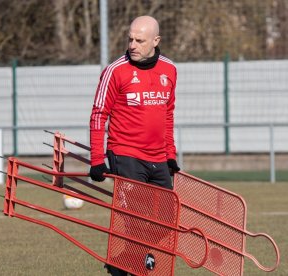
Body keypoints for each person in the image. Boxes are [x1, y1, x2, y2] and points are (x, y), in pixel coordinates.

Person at [89, 15, 180, 276]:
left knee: (167, 220)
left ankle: (123, 262)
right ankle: (134, 264)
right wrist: (97, 159)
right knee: (136, 220)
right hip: (125, 153)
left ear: (156, 41)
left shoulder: (170, 70)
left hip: (158, 157)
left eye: (139, 40)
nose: (132, 45)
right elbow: (98, 115)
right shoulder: (115, 70)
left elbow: (168, 114)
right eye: (130, 39)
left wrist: (170, 155)